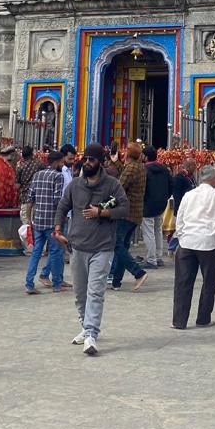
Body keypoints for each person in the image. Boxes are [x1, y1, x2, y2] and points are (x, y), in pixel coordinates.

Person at [54, 143, 128, 355]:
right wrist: (58, 228)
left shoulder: (113, 185)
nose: (87, 162)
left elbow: (124, 208)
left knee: (96, 291)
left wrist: (102, 213)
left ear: (101, 162)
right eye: (85, 159)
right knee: (80, 293)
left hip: (102, 246)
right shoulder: (75, 185)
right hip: (78, 245)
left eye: (92, 160)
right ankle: (86, 325)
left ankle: (91, 334)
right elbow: (63, 206)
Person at [172, 164, 215, 329]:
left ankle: (179, 321)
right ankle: (203, 318)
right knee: (209, 281)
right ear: (213, 179)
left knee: (182, 282)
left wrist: (181, 235)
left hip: (187, 242)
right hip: (208, 243)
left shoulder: (189, 194)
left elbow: (180, 217)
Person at [25, 148, 66, 293]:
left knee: (36, 252)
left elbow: (30, 199)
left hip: (38, 220)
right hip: (52, 220)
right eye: (61, 161)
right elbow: (57, 200)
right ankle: (57, 284)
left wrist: (29, 218)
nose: (63, 164)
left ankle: (29, 284)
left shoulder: (37, 175)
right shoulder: (58, 176)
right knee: (55, 251)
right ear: (56, 162)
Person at [110, 142, 149, 291]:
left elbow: (120, 186)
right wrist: (118, 164)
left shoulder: (132, 167)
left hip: (126, 213)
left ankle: (138, 272)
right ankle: (116, 281)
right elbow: (127, 175)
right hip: (136, 212)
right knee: (123, 246)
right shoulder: (140, 167)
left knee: (116, 244)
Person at [141, 145, 172, 268]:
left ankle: (151, 259)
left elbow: (142, 188)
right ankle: (158, 257)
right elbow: (171, 184)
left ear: (145, 156)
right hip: (161, 204)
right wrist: (165, 197)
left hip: (147, 204)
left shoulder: (144, 170)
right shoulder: (164, 169)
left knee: (148, 232)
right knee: (158, 230)